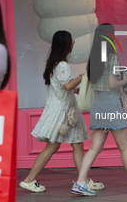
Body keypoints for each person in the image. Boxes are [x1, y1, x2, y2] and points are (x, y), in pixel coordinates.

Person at [71, 24, 127, 196]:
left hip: (98, 106)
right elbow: (112, 84)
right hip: (111, 105)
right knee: (124, 147)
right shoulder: (111, 57)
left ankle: (80, 183)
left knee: (94, 148)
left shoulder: (93, 59)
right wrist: (126, 79)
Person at [19, 30, 104, 192]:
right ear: (65, 44)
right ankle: (29, 179)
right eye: (71, 40)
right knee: (53, 147)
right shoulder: (62, 64)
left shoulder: (55, 63)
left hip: (65, 111)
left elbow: (64, 88)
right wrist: (83, 75)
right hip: (63, 113)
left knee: (77, 145)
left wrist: (77, 89)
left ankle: (84, 180)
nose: (73, 42)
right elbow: (67, 86)